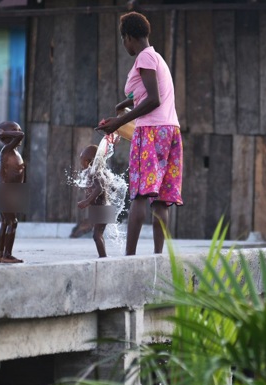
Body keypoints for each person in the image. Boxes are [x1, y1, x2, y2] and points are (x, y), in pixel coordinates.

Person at [95, 11, 183, 256]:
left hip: (151, 131)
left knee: (141, 195)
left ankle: (130, 258)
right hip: (170, 131)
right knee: (162, 199)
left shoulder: (143, 59)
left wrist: (119, 121)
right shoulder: (157, 58)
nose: (124, 45)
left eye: (123, 40)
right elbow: (147, 94)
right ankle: (157, 257)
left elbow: (153, 99)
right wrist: (123, 105)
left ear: (129, 38)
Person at [0, 121, 25, 263]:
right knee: (12, 222)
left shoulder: (13, 152)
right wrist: (6, 134)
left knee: (6, 222)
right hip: (5, 191)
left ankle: (0, 254)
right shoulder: (7, 150)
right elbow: (21, 135)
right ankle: (6, 254)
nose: (19, 132)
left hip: (8, 192)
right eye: (14, 130)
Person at [77, 145, 108, 258]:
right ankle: (103, 257)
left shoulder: (94, 172)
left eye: (82, 162)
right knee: (98, 234)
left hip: (102, 208)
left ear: (87, 161)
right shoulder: (98, 171)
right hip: (101, 208)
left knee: (97, 235)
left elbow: (99, 188)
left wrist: (86, 201)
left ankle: (103, 258)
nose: (81, 165)